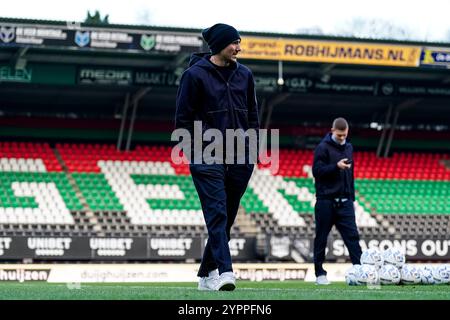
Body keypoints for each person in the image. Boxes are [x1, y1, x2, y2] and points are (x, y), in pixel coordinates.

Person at [175, 23, 260, 291]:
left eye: (239, 41)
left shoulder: (245, 74)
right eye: (234, 42)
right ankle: (225, 271)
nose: (239, 47)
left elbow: (253, 115)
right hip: (205, 154)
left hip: (240, 155)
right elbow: (183, 119)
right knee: (217, 214)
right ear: (219, 45)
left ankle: (205, 273)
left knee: (229, 215)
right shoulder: (194, 76)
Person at [312, 117, 362, 285]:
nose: (342, 138)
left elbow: (350, 175)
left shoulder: (349, 147)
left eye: (344, 135)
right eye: (339, 135)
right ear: (332, 131)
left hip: (345, 201)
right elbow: (317, 171)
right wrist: (336, 166)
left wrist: (351, 197)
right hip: (326, 201)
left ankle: (360, 269)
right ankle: (319, 274)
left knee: (353, 237)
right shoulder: (322, 148)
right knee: (321, 238)